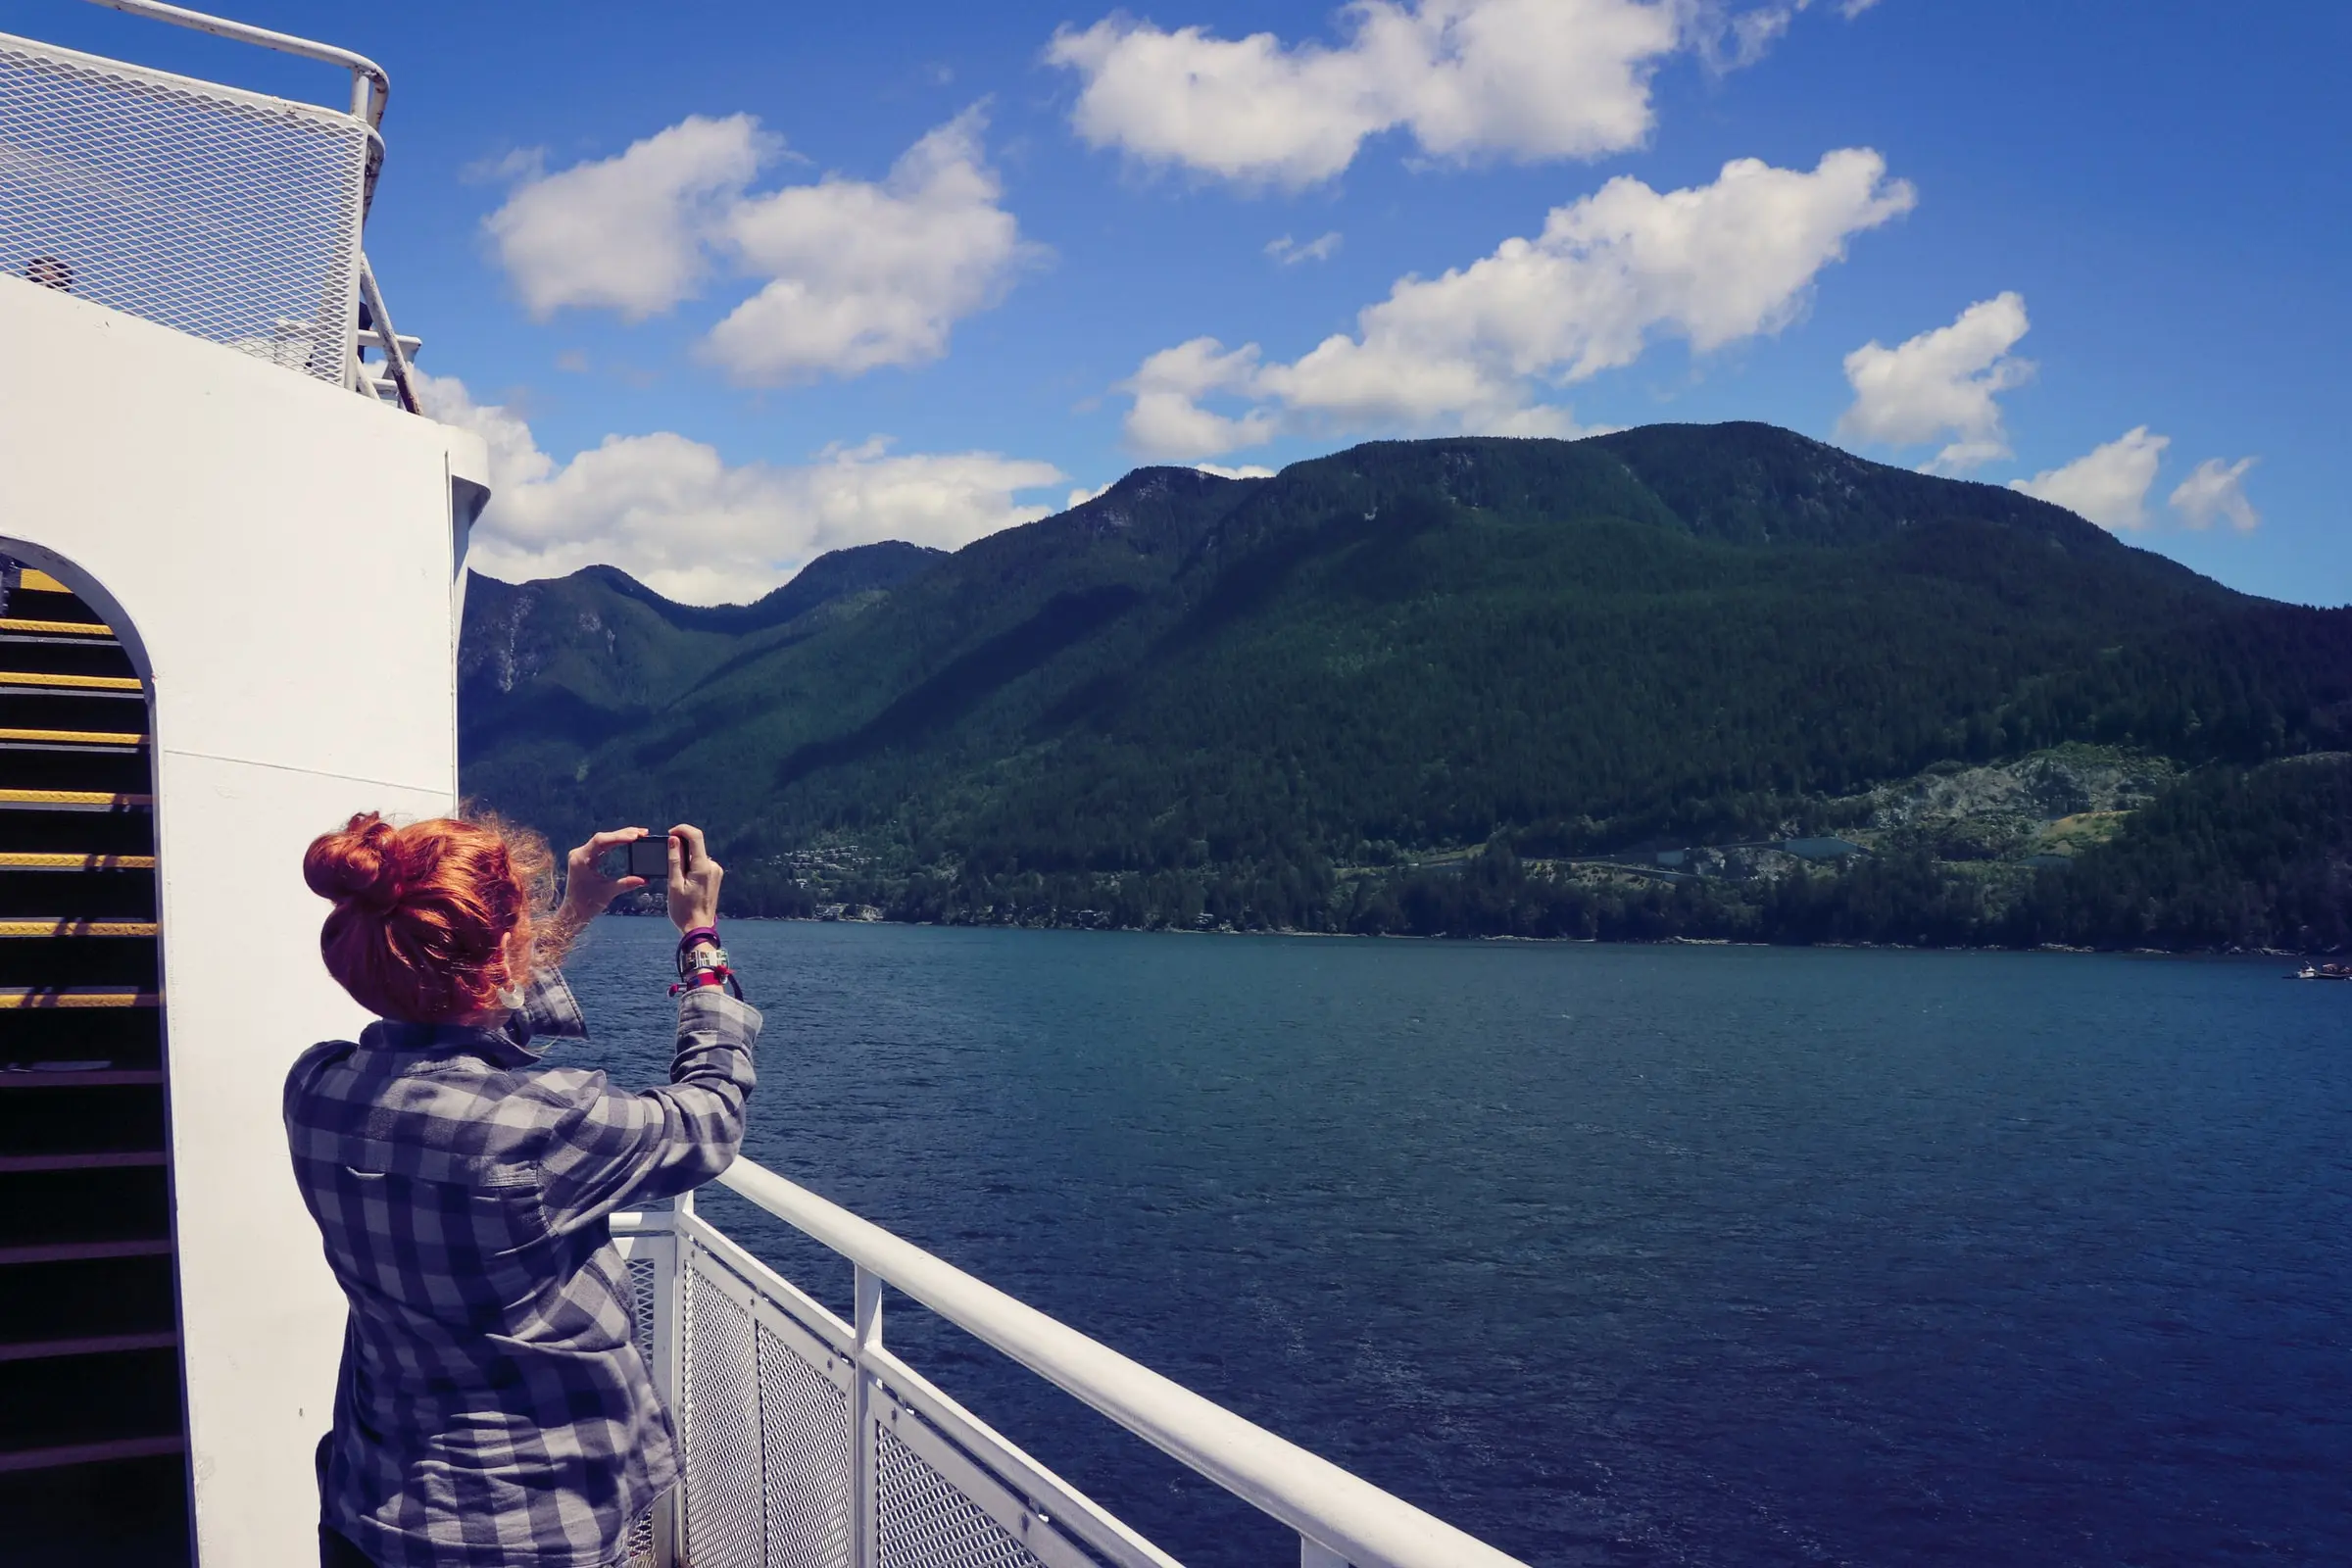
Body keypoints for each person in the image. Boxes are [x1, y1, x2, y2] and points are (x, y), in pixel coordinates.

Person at [284, 812, 760, 1568]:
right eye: (526, 920)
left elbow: (457, 1018)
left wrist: (572, 914)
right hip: (529, 1529)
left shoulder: (316, 1089)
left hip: (371, 1509)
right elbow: (711, 1117)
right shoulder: (544, 1123)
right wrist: (700, 941)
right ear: (505, 948)